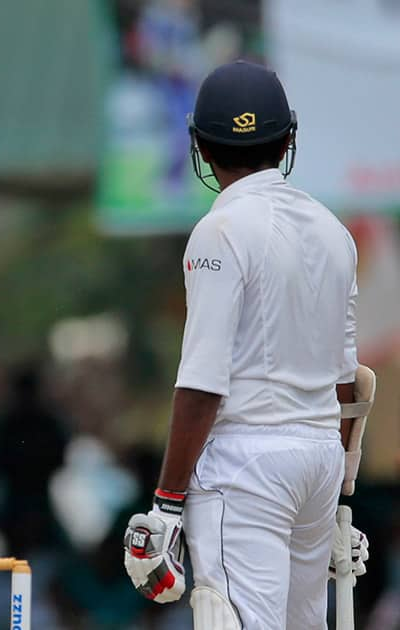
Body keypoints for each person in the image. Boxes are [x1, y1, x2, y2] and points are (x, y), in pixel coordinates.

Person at [121, 60, 370, 629]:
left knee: (230, 618)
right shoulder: (335, 231)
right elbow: (348, 380)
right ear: (288, 140)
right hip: (317, 456)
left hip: (246, 465)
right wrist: (339, 483)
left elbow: (203, 380)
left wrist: (166, 502)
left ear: (201, 149)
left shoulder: (220, 231)